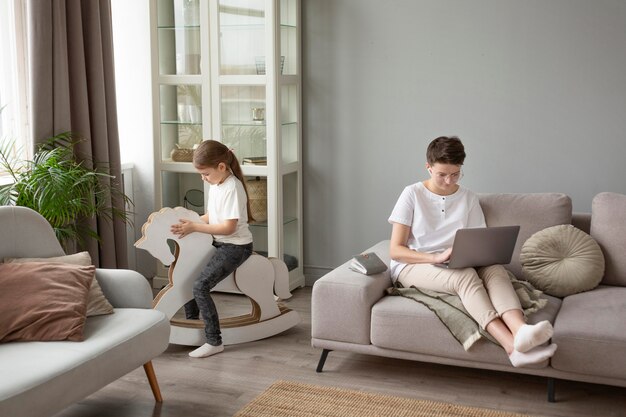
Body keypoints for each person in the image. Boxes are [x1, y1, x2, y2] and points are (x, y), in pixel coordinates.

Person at [388, 136, 557, 368]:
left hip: (456, 260)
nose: (449, 181)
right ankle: (511, 347)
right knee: (465, 276)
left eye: (455, 174)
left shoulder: (467, 197)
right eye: (442, 174)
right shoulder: (412, 194)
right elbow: (396, 250)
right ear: (428, 167)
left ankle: (521, 331)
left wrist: (473, 256)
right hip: (414, 265)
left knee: (496, 269)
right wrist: (435, 257)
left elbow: (479, 240)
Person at [171, 140, 254, 358]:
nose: (203, 179)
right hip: (218, 241)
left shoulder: (232, 188)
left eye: (205, 174)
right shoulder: (217, 185)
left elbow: (228, 227)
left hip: (235, 246)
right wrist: (189, 223)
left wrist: (196, 227)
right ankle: (191, 324)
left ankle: (214, 340)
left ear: (221, 167)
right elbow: (212, 216)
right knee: (187, 275)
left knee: (200, 286)